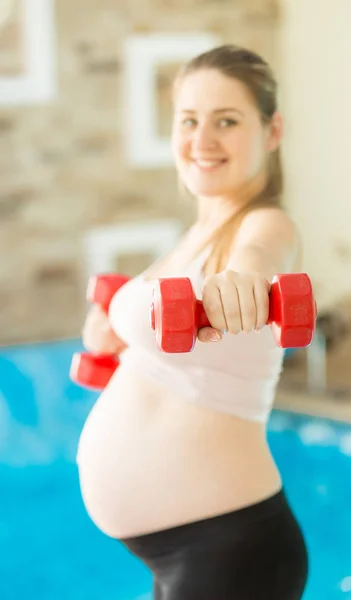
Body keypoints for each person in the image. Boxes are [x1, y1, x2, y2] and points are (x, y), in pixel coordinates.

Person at [76, 44, 309, 599]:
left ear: (272, 130)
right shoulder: (192, 237)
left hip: (230, 550)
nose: (202, 141)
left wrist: (245, 279)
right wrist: (114, 331)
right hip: (186, 553)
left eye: (226, 121)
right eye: (189, 120)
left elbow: (260, 258)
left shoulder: (265, 225)